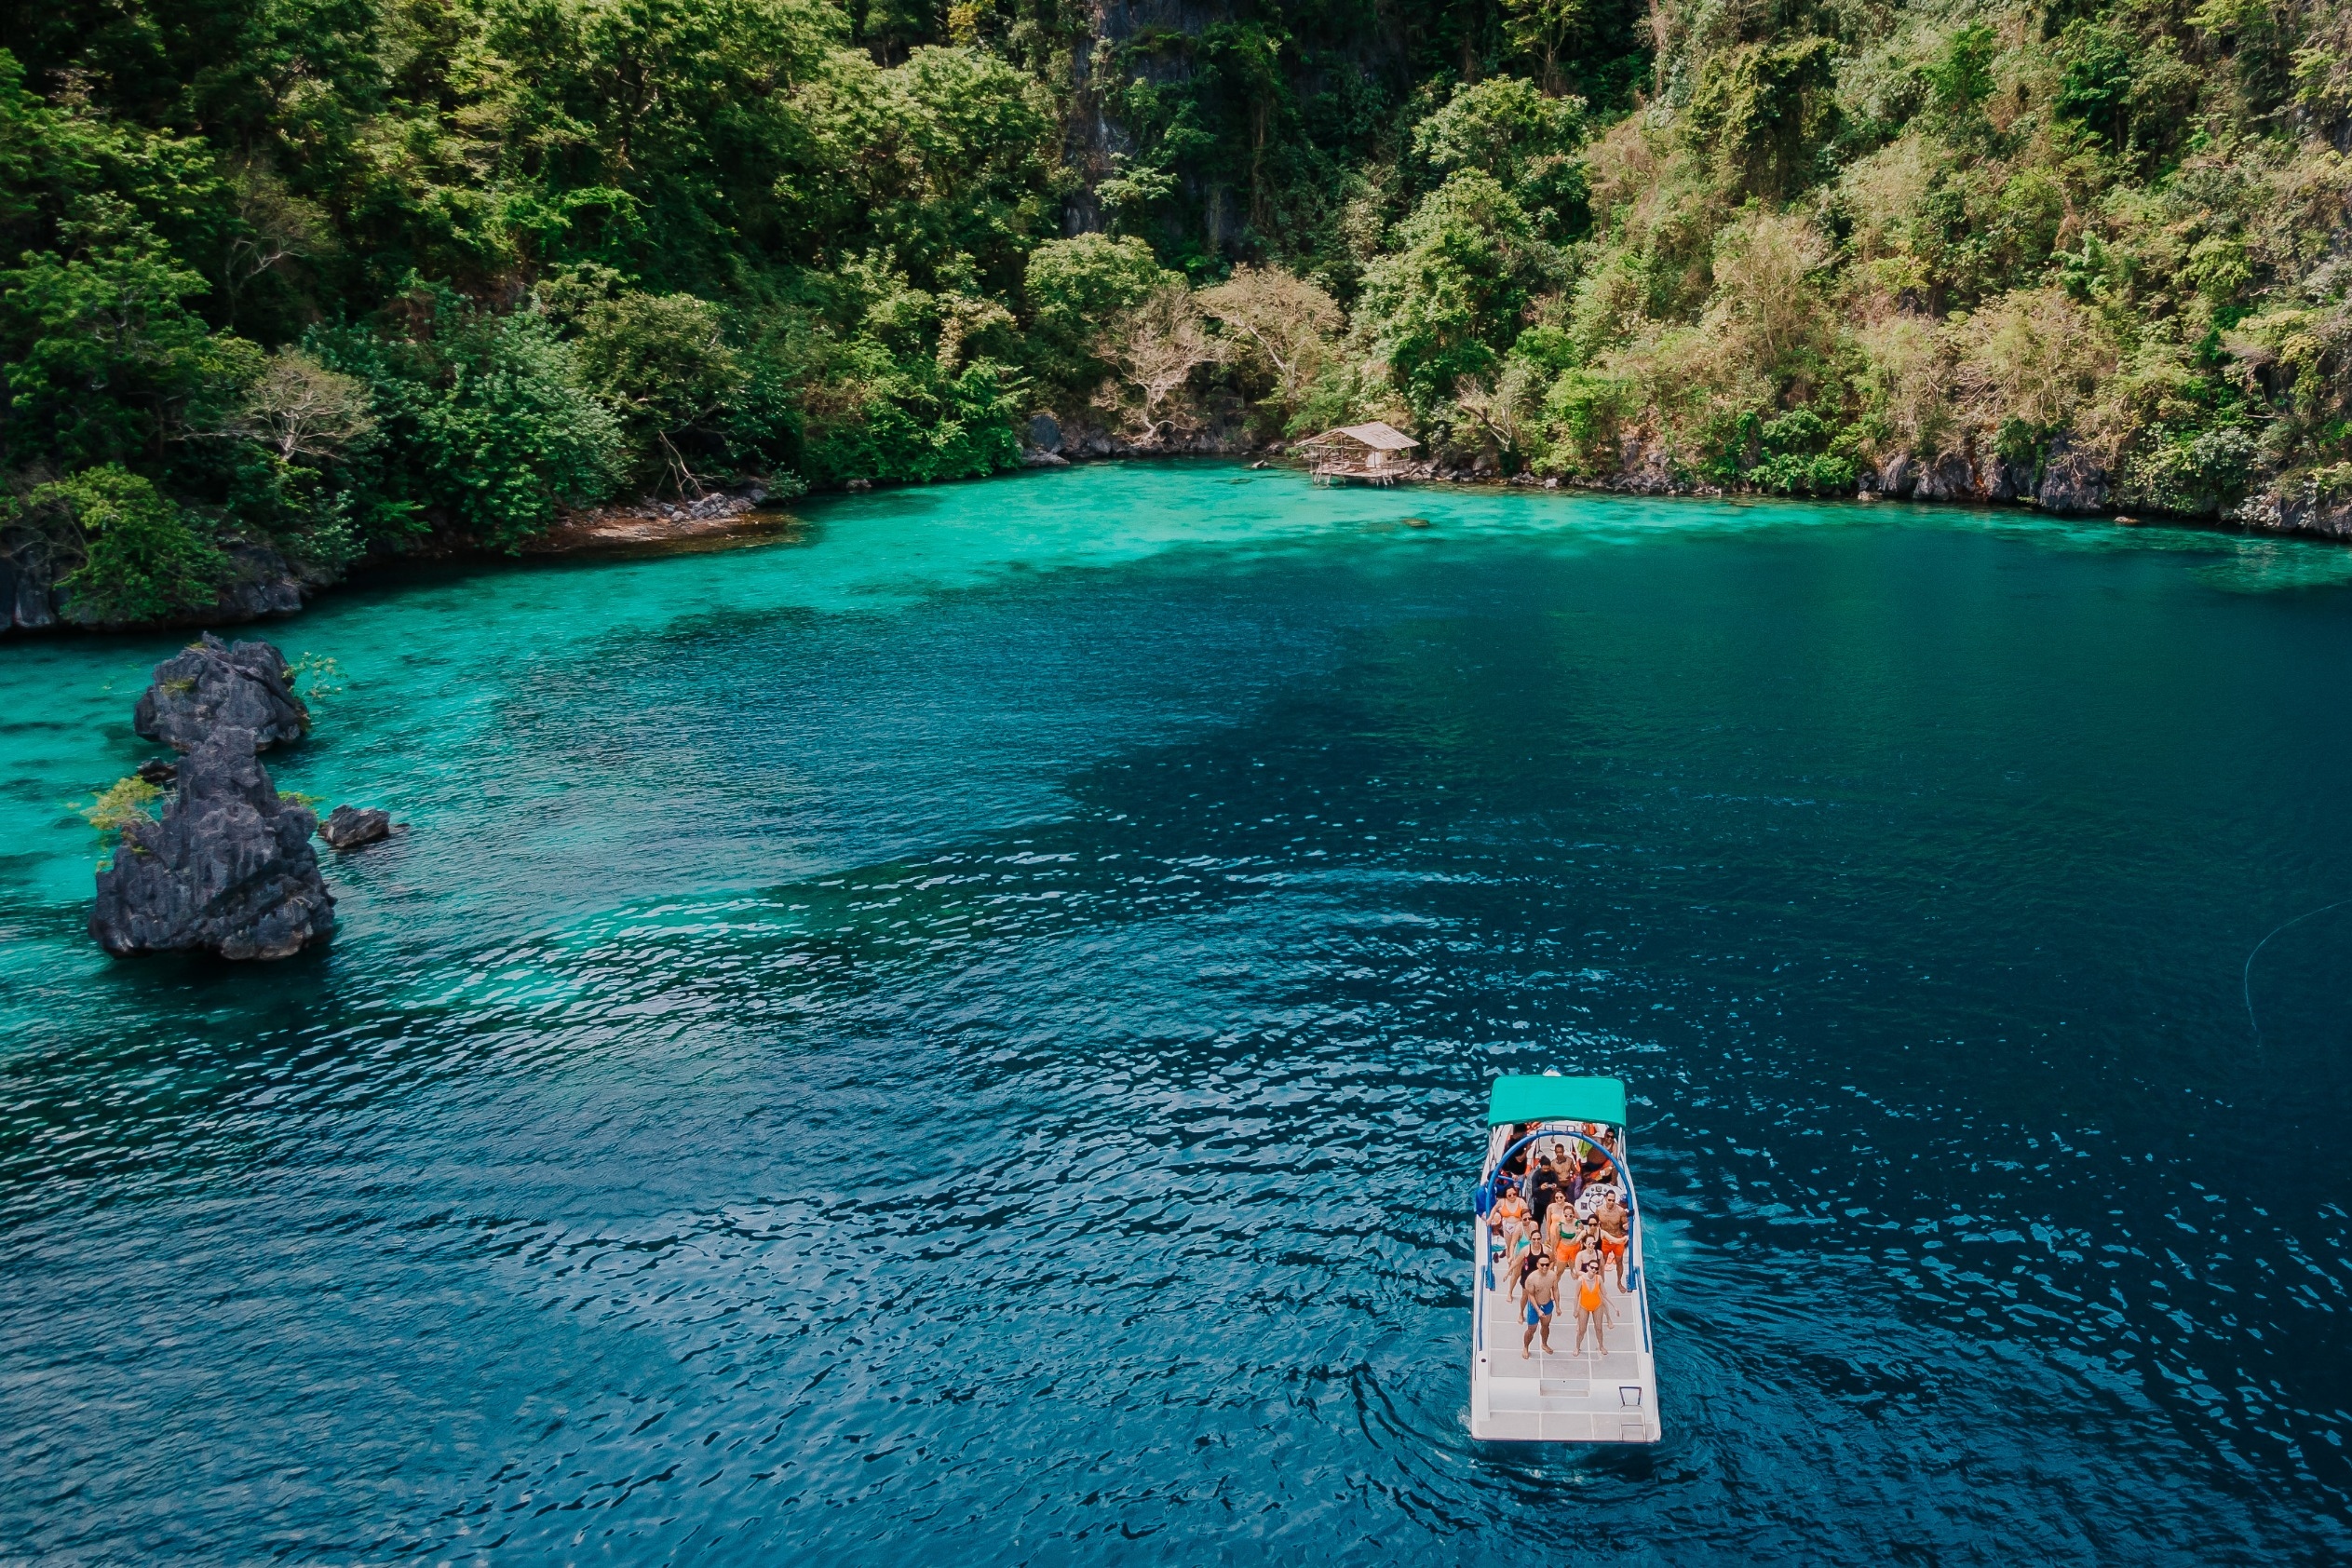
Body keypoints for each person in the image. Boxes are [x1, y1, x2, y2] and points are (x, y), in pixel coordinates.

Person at [1521, 1255, 1562, 1358]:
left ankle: (1544, 1344)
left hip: (1547, 1303)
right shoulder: (1531, 1278)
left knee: (1546, 1326)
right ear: (1537, 1265)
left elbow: (1555, 1290)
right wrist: (1538, 1310)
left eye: (1547, 1264)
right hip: (1535, 1306)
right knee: (1531, 1330)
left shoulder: (1552, 1275)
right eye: (1542, 1265)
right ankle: (1526, 1347)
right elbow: (1530, 1295)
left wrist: (1557, 1306)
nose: (1544, 1267)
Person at [1571, 1251, 1609, 1355]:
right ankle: (1577, 1347)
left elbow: (1604, 1294)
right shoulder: (1581, 1280)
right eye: (1592, 1267)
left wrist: (1613, 1308)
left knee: (1599, 1328)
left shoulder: (1599, 1279)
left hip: (1597, 1305)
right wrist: (1575, 1310)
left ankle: (1601, 1346)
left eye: (1596, 1269)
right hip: (1584, 1306)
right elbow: (1576, 1296)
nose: (1594, 1270)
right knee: (1581, 1330)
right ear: (1587, 1267)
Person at [1594, 1189, 1630, 1290]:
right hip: (1605, 1239)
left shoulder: (1620, 1211)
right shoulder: (1599, 1209)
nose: (1611, 1202)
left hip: (1617, 1238)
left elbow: (1624, 1225)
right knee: (1602, 1262)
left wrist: (1626, 1226)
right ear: (1605, 1198)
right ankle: (1600, 1284)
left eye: (1613, 1200)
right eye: (1609, 1200)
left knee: (1619, 1261)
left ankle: (1619, 1282)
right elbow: (1595, 1223)